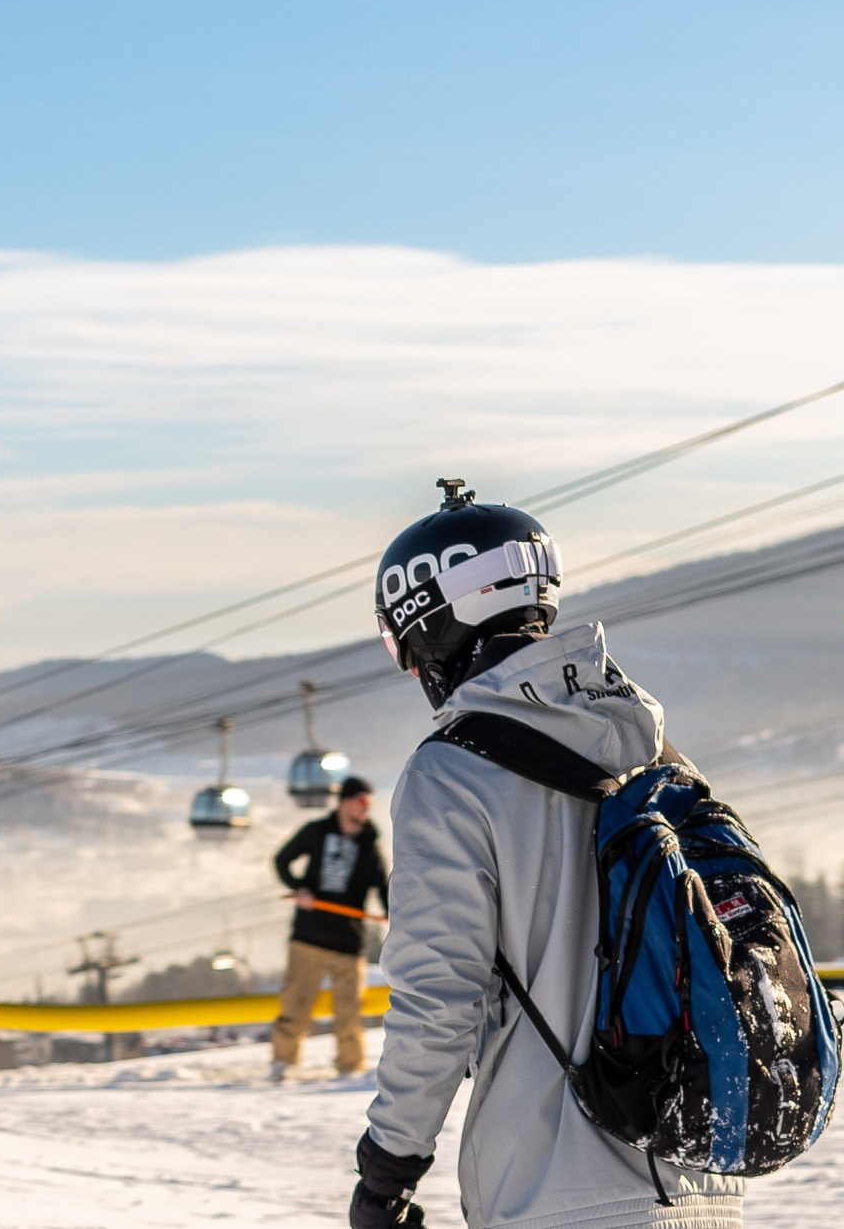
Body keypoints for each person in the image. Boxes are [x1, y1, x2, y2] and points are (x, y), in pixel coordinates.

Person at [349, 480, 743, 1229]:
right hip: (702, 1185)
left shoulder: (450, 773)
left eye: (402, 645)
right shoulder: (656, 749)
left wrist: (387, 1170)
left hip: (553, 1191)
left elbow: (438, 998)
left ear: (432, 625)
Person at [268, 773, 385, 1083]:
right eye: (361, 802)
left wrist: (395, 916)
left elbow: (384, 888)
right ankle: (283, 1062)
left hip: (349, 942)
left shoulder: (369, 846)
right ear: (344, 803)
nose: (366, 809)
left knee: (349, 1012)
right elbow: (282, 860)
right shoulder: (316, 832)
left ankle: (350, 1068)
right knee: (295, 1005)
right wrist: (299, 888)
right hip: (309, 937)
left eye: (369, 804)